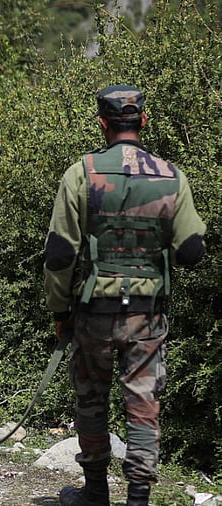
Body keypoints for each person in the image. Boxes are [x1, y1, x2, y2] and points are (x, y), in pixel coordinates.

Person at [44, 85, 206, 506]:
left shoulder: (81, 173)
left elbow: (59, 254)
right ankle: (138, 499)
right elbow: (192, 252)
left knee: (91, 400)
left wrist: (60, 311)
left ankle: (96, 493)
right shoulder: (172, 176)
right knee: (143, 404)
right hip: (148, 317)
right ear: (143, 121)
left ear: (103, 123)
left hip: (94, 313)